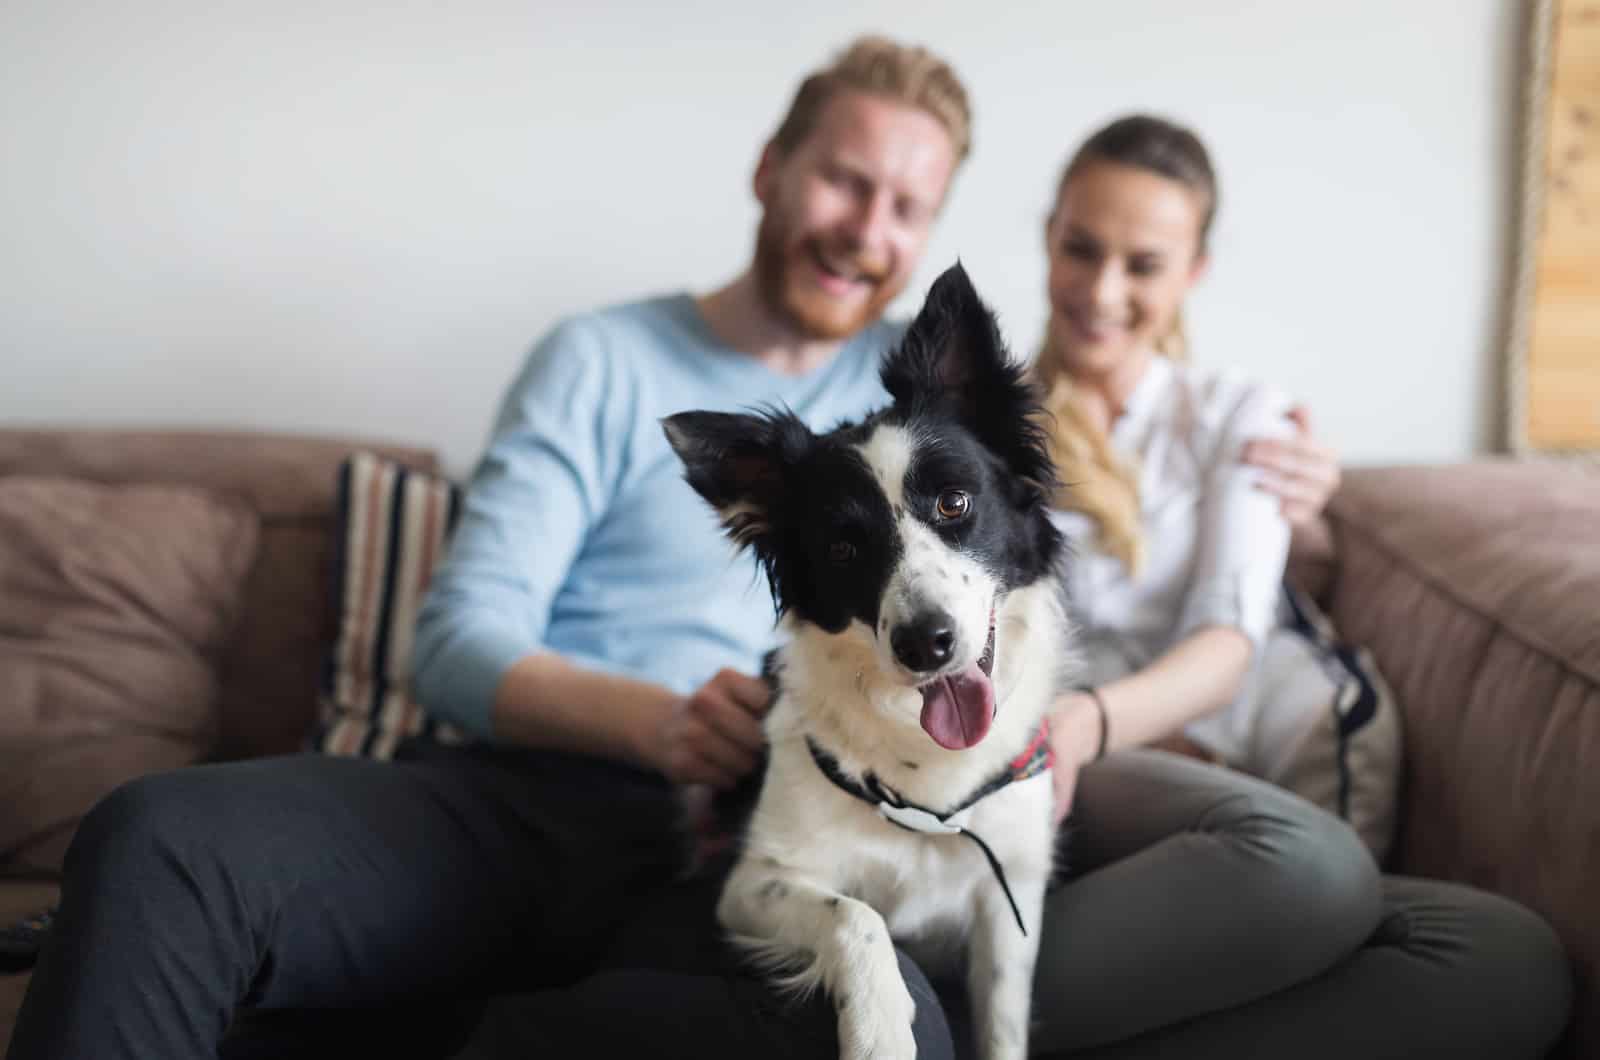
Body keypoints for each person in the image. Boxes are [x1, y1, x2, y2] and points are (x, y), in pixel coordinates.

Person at [1, 38, 1374, 1060]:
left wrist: (1309, 510)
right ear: (774, 168)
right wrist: (660, 726)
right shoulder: (604, 359)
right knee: (159, 838)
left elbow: (1094, 494)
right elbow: (458, 638)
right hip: (530, 801)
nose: (867, 227)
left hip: (778, 858)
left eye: (908, 207)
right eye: (846, 177)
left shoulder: (926, 422)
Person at [1018, 115, 1570, 1058]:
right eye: (1082, 249)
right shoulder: (982, 427)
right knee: (1304, 867)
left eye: (1143, 264)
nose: (1103, 291)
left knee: (1509, 957)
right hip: (1064, 779)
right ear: (1049, 238)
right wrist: (1078, 732)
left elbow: (1228, 646)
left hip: (1155, 760)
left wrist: (1102, 719)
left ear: (1194, 271)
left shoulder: (1241, 417)